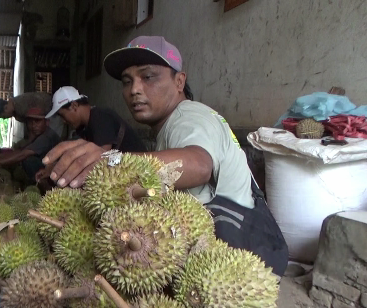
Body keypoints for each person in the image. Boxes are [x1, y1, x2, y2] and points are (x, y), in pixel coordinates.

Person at [38, 36, 289, 277]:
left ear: (179, 82)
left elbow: (198, 164)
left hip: (235, 257)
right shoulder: (171, 126)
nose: (135, 89)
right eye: (127, 81)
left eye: (148, 77)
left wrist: (112, 161)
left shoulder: (189, 116)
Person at [0, 106, 60, 182]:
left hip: (54, 173)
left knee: (28, 160)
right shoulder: (39, 135)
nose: (33, 126)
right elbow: (21, 151)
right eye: (30, 122)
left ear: (47, 122)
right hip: (47, 169)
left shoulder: (45, 138)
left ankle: (43, 186)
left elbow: (22, 155)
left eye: (37, 121)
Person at [0, 92, 68, 140]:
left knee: (57, 137)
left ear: (5, 108)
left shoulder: (20, 106)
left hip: (52, 113)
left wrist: (28, 144)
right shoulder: (16, 111)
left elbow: (34, 126)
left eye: (3, 117)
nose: (5, 119)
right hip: (50, 115)